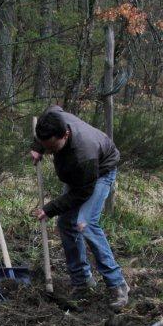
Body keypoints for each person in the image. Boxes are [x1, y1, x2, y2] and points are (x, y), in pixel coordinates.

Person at [30, 106, 130, 309]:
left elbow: (81, 193)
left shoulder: (84, 154)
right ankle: (82, 281)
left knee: (86, 223)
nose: (49, 151)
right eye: (45, 146)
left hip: (99, 172)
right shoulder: (54, 119)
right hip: (77, 173)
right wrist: (37, 146)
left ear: (65, 134)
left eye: (52, 148)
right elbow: (53, 109)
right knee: (66, 223)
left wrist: (49, 209)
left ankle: (118, 284)